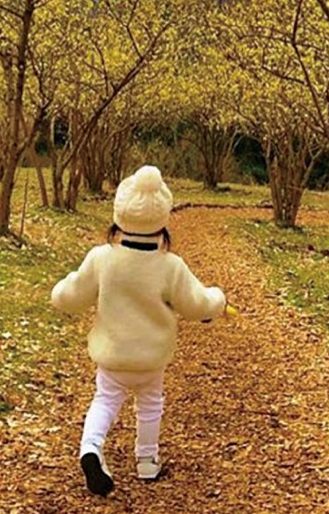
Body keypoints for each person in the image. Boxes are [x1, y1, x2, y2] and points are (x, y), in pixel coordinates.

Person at [51, 165, 227, 496]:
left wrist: (59, 292)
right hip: (150, 360)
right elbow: (197, 304)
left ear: (118, 216)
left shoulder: (102, 259)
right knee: (150, 404)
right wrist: (218, 300)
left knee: (105, 401)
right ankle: (147, 461)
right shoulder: (170, 266)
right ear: (162, 220)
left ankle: (91, 448)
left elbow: (70, 296)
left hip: (113, 356)